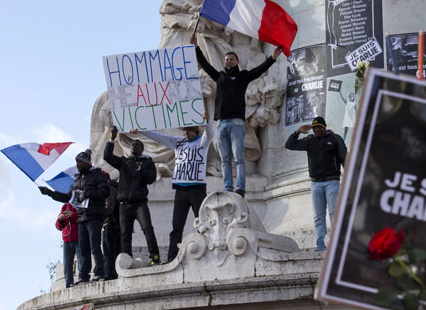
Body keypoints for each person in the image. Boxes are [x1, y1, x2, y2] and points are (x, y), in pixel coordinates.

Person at [191, 33, 282, 197]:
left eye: (232, 59)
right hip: (221, 124)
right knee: (225, 159)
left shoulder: (243, 76)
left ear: (237, 62)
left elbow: (259, 70)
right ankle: (228, 187)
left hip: (237, 123)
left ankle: (240, 187)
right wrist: (196, 47)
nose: (229, 61)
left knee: (238, 158)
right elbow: (204, 64)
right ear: (224, 62)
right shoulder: (219, 76)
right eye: (227, 59)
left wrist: (273, 58)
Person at [133, 111, 214, 262]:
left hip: (197, 189)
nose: (185, 132)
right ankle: (171, 258)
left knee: (202, 224)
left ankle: (206, 255)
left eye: (188, 130)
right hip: (181, 190)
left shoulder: (202, 143)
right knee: (177, 226)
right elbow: (160, 137)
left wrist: (206, 122)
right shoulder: (179, 142)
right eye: (184, 130)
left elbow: (210, 134)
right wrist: (142, 130)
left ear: (194, 131)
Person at [40, 149, 110, 284]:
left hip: (94, 216)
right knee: (83, 248)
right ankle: (84, 276)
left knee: (95, 246)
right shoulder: (77, 180)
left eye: (79, 162)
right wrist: (49, 193)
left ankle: (99, 273)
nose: (77, 165)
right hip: (81, 217)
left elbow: (105, 192)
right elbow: (67, 197)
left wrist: (87, 193)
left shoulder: (98, 175)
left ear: (86, 162)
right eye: (76, 162)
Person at [285, 116, 347, 251]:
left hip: (332, 182)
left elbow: (344, 157)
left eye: (319, 127)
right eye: (314, 128)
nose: (317, 130)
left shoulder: (335, 139)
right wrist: (297, 132)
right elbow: (289, 145)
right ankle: (321, 245)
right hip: (315, 184)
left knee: (334, 214)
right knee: (318, 217)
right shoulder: (309, 141)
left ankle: (337, 243)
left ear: (324, 128)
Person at [104, 128, 161, 265]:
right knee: (125, 234)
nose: (134, 147)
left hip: (140, 203)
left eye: (137, 145)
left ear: (142, 149)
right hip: (124, 204)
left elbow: (151, 178)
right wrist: (112, 139)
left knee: (147, 228)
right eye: (132, 145)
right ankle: (127, 259)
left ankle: (154, 257)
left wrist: (139, 168)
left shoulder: (147, 162)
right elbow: (107, 156)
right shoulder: (123, 162)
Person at [55, 203, 78, 288]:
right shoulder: (65, 206)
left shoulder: (79, 204)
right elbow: (58, 226)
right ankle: (68, 283)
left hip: (78, 237)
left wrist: (73, 215)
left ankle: (82, 279)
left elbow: (83, 216)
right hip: (67, 239)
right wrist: (60, 220)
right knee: (67, 265)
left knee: (81, 260)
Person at [102, 179, 121, 280]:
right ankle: (117, 274)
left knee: (109, 253)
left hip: (111, 224)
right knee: (118, 252)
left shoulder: (109, 190)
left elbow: (109, 208)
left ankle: (109, 275)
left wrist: (98, 212)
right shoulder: (120, 190)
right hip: (120, 226)